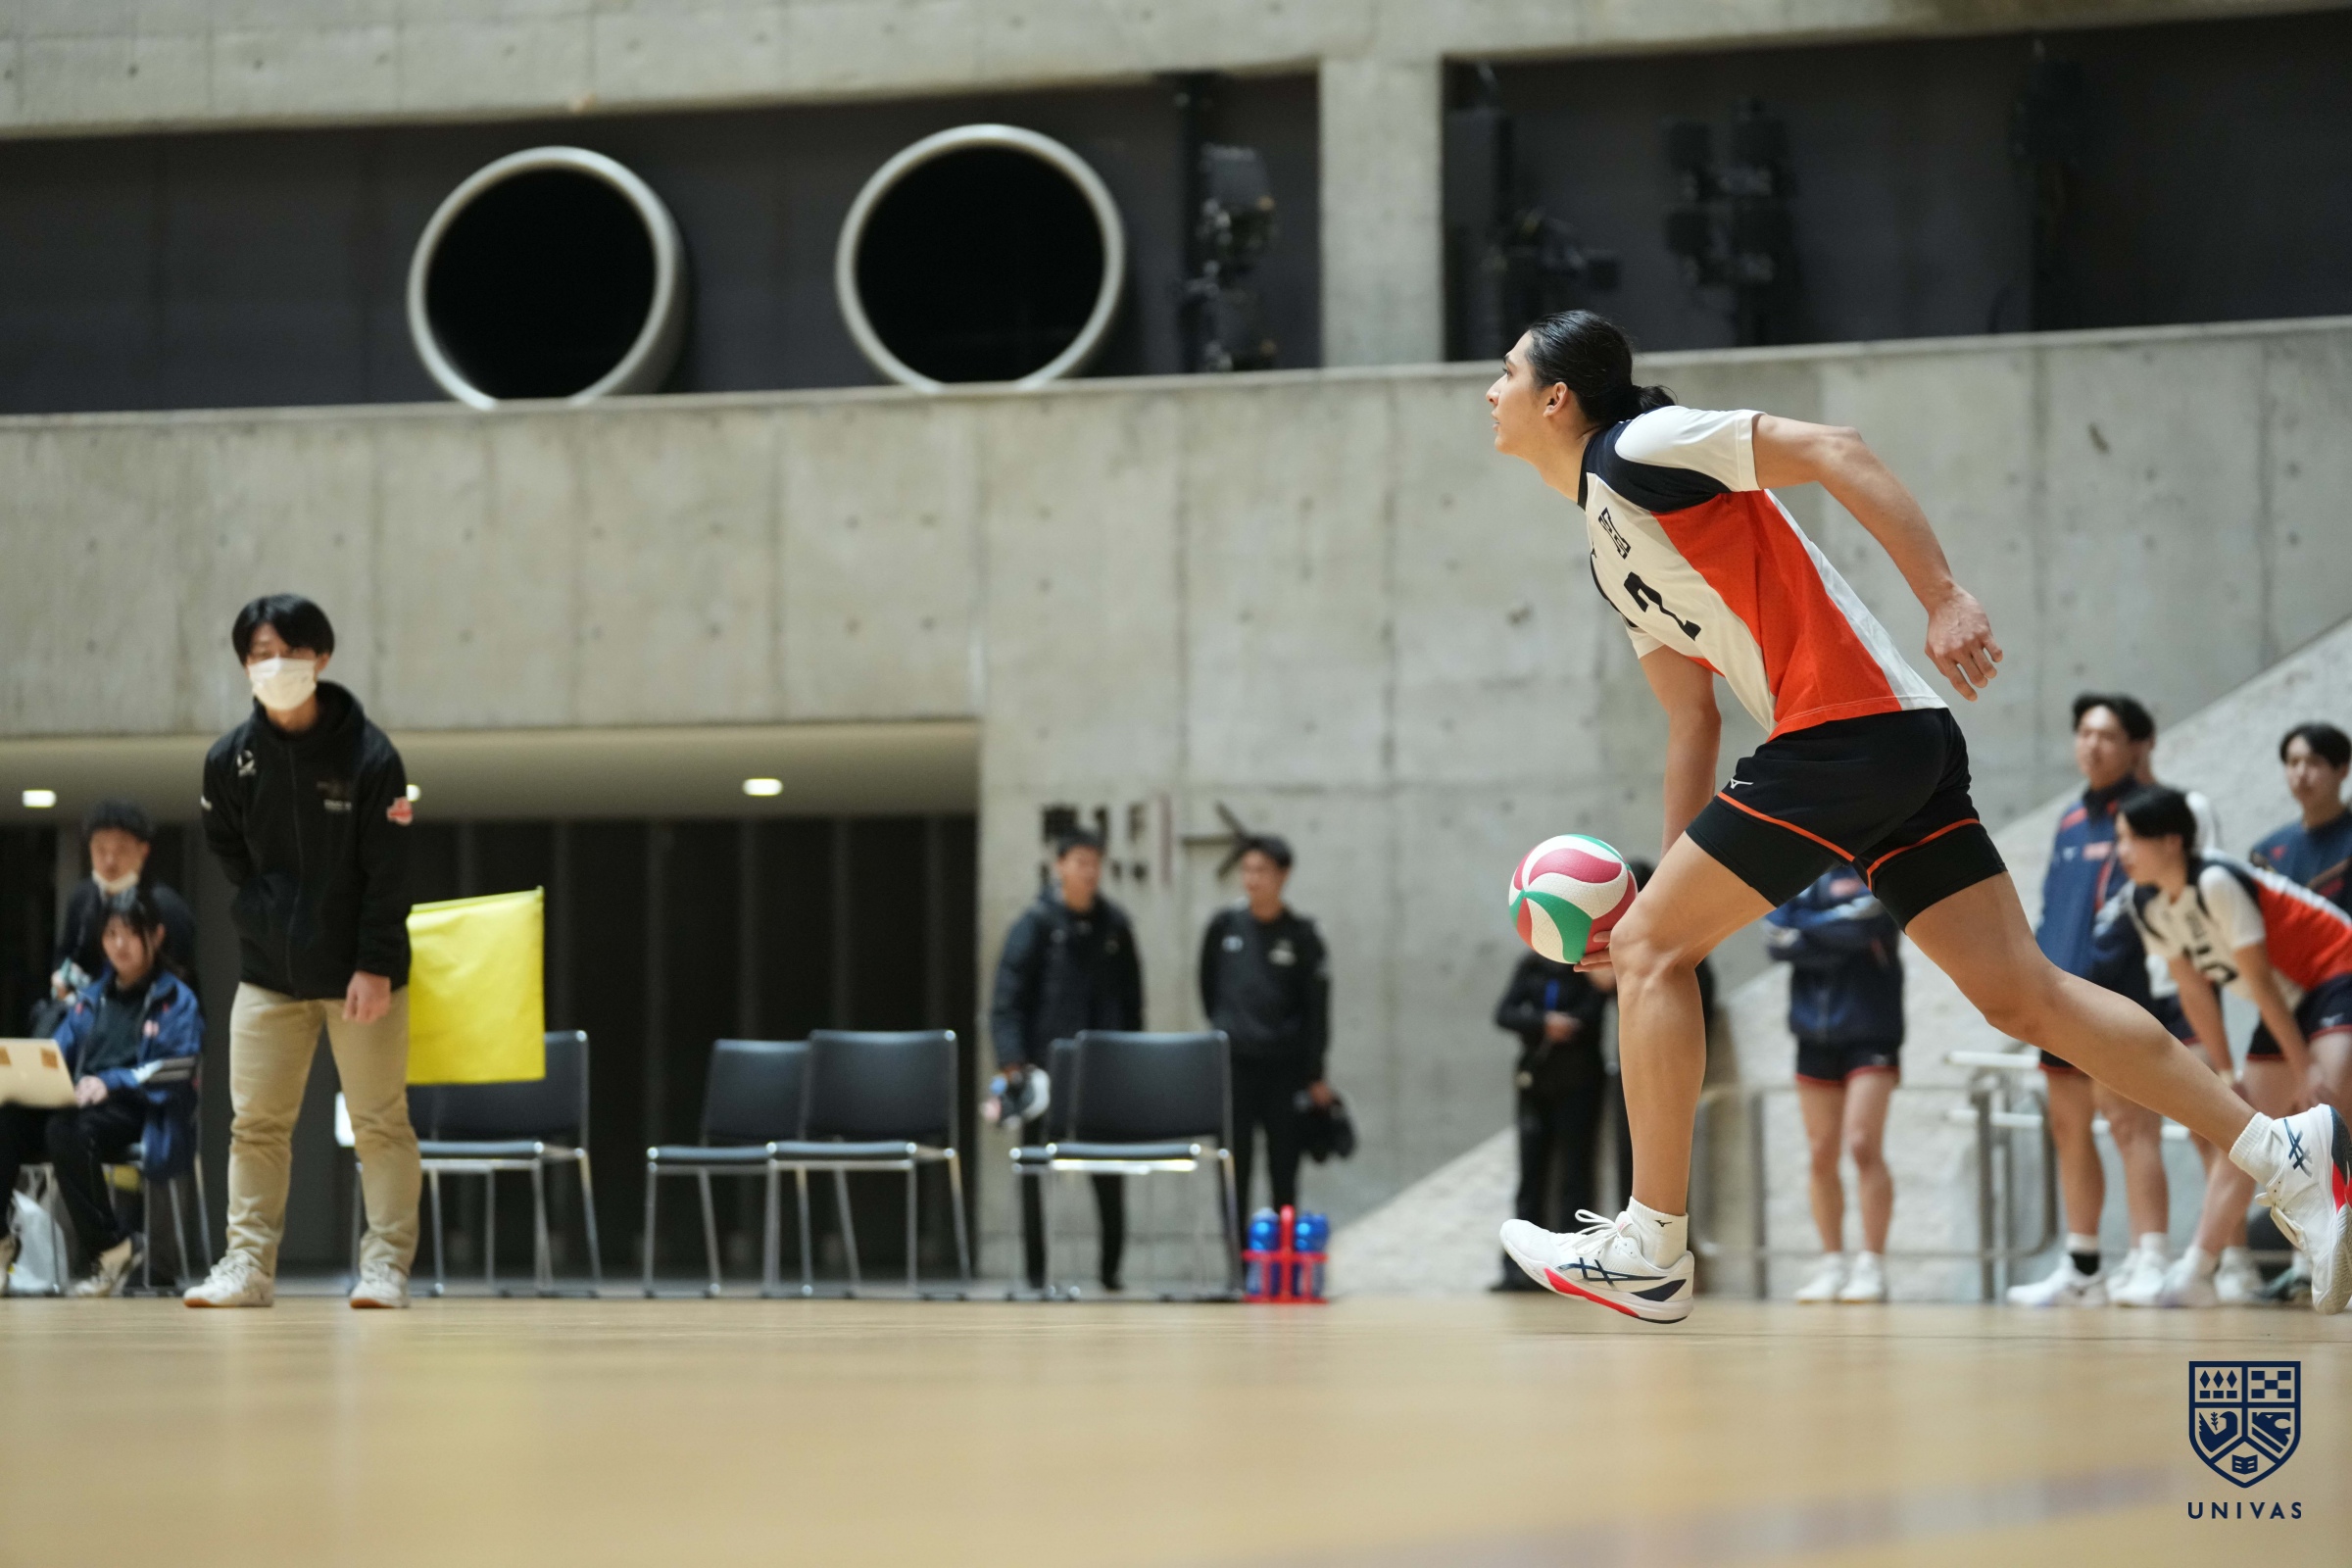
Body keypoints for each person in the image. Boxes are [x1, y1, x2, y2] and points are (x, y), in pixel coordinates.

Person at [1481, 309, 2349, 1323]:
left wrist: (1943, 596)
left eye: (1507, 374)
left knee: (1650, 953)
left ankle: (1651, 1246)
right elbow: (1691, 719)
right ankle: (2280, 1148)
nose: (1491, 392)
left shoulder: (1645, 445)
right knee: (2025, 997)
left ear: (1557, 398)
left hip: (1844, 731)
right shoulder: (1607, 545)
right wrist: (1663, 900)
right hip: (1890, 743)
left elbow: (1835, 448)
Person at [183, 594, 418, 1310]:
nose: (276, 665)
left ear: (322, 658)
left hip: (361, 976)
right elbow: (227, 848)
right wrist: (264, 908)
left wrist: (374, 965)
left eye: (290, 652)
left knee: (379, 1123)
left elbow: (390, 873)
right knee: (255, 1127)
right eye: (261, 654)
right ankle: (247, 1266)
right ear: (244, 665)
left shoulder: (371, 756)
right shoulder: (230, 760)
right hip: (269, 974)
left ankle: (386, 1268)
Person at [2010, 694, 2229, 1308]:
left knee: (2133, 1126)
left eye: (2106, 735)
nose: (2092, 745)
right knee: (2068, 1126)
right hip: (2057, 1000)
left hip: (2121, 996)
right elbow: (2053, 910)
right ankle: (2082, 1266)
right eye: (2084, 733)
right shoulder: (2069, 821)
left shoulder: (2153, 816)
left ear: (2137, 745)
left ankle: (2149, 1254)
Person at [2117, 786, 2352, 1307]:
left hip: (2337, 969)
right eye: (2119, 839)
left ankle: (2333, 1259)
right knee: (2247, 1132)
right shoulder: (2145, 902)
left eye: (2132, 838)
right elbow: (2194, 992)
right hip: (2287, 999)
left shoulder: (2216, 881)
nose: (2122, 851)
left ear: (2171, 841)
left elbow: (2260, 982)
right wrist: (2226, 1077)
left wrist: (2304, 1068)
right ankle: (2198, 1270)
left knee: (2331, 1103)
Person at [0, 891, 202, 1298]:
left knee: (65, 1130)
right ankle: (3, 1241)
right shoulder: (90, 999)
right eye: (110, 934)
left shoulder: (177, 1000)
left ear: (155, 935)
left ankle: (111, 1247)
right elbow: (56, 1053)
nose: (119, 944)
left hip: (142, 1112)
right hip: (81, 1107)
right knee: (8, 1120)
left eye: (130, 933)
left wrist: (112, 1081)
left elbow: (178, 1068)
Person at [990, 828, 1143, 1293]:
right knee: (1035, 1168)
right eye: (1079, 862)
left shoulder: (1115, 925)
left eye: (1095, 862)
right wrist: (1013, 1063)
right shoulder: (1035, 924)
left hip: (1104, 1070)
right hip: (1042, 1070)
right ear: (1060, 865)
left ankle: (1110, 1271)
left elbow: (1133, 1003)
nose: (1088, 871)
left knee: (1110, 1171)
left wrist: (1130, 1056)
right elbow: (1006, 1002)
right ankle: (1037, 1272)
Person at [1766, 866, 1903, 1304]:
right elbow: (1776, 938)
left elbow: (1868, 921)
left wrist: (1806, 936)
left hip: (1871, 1029)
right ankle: (1832, 1263)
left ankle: (1872, 1264)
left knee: (1862, 1144)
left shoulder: (1875, 870)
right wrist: (1835, 935)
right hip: (1812, 1034)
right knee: (1821, 1152)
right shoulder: (1798, 872)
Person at [1198, 835, 1332, 1216]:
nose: (1253, 879)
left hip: (1284, 1069)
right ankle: (1236, 1254)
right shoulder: (1224, 927)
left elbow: (1316, 1008)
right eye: (1247, 870)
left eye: (1262, 871)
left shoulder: (1302, 935)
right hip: (1235, 1066)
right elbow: (1207, 988)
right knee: (1232, 1168)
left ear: (1283, 875)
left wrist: (1315, 1073)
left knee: (1284, 1167)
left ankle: (1283, 1252)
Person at [41, 799, 198, 1031]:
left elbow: (181, 976)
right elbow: (65, 953)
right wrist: (62, 977)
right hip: (90, 1023)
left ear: (143, 851)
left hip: (153, 1023)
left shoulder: (166, 907)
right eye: (100, 849)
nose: (109, 861)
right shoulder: (83, 899)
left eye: (121, 850)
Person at [2248, 721, 2352, 912]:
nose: (2301, 773)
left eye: (2314, 762)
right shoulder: (2265, 854)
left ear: (2342, 770)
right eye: (2293, 763)